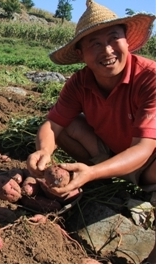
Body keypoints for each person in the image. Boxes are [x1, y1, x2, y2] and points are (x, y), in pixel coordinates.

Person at [26, 0, 155, 263]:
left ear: (127, 41)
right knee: (67, 126)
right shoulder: (79, 82)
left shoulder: (150, 78)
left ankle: (143, 191)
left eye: (113, 38)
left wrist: (92, 172)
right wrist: (43, 151)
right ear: (82, 54)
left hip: (149, 163)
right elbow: (53, 125)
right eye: (94, 44)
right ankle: (103, 178)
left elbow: (143, 148)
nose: (107, 50)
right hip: (111, 153)